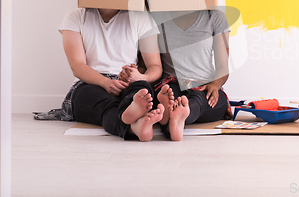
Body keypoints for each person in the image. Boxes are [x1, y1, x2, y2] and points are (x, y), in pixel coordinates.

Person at [35, 8, 164, 142]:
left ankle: (133, 117)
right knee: (106, 105)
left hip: (128, 81)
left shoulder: (141, 18)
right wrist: (105, 82)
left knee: (141, 88)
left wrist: (141, 77)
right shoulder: (76, 17)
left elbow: (155, 67)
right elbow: (77, 66)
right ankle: (134, 125)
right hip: (91, 82)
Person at [148, 9, 231, 141]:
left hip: (205, 87)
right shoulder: (157, 17)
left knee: (200, 98)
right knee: (169, 97)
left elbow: (223, 66)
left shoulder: (214, 17)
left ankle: (175, 117)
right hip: (171, 84)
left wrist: (215, 85)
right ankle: (175, 117)